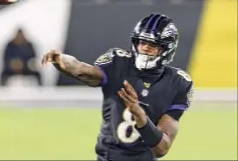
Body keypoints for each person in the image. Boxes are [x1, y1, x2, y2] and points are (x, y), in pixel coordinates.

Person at [41, 13, 194, 161]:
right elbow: (84, 71)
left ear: (167, 48)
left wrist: (140, 114)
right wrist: (62, 60)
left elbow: (162, 148)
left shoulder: (179, 83)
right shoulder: (118, 61)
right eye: (142, 42)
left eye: (153, 45)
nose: (145, 48)